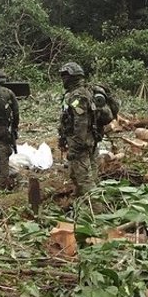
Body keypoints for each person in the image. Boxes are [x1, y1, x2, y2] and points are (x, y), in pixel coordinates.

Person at [57, 62, 98, 196]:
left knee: (85, 180)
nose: (63, 79)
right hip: (84, 140)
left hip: (80, 143)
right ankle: (82, 202)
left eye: (65, 76)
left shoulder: (77, 96)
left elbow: (80, 123)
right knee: (77, 175)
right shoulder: (78, 93)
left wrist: (75, 147)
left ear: (73, 77)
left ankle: (97, 210)